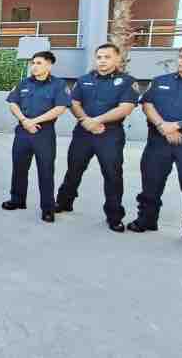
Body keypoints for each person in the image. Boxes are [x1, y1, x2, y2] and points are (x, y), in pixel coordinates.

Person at [55, 44, 138, 232]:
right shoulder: (83, 80)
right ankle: (63, 202)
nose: (102, 61)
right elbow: (74, 103)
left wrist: (96, 121)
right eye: (99, 57)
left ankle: (114, 215)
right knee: (73, 169)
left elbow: (126, 107)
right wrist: (85, 120)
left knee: (112, 174)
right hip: (83, 132)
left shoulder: (127, 81)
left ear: (118, 59)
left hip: (110, 134)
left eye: (107, 57)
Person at [126, 44, 182, 248]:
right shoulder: (160, 81)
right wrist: (162, 126)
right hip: (158, 142)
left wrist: (176, 125)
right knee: (151, 183)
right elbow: (147, 104)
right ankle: (146, 220)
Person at [2, 51, 70, 223]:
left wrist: (34, 121)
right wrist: (25, 121)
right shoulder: (24, 83)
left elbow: (60, 108)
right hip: (23, 131)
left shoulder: (58, 85)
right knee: (19, 167)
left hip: (44, 133)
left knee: (46, 171)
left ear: (49, 65)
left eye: (39, 63)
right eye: (33, 62)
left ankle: (47, 208)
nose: (34, 66)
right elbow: (13, 103)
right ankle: (17, 200)